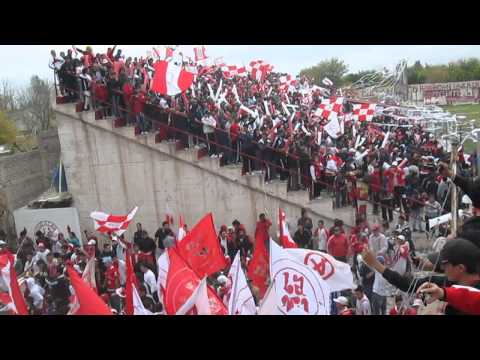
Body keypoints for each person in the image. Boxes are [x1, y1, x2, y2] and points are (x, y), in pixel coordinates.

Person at [361, 238, 480, 315]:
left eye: (444, 264)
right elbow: (408, 284)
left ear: (460, 268)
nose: (441, 268)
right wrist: (376, 265)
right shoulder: (445, 282)